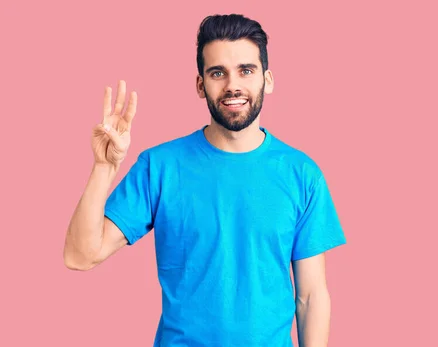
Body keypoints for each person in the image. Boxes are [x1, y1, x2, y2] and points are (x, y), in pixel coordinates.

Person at [63, 13, 346, 347]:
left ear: (267, 80)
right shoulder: (160, 166)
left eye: (246, 70)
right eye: (217, 73)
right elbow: (80, 256)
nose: (232, 85)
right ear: (200, 85)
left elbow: (310, 297)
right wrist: (103, 168)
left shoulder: (302, 174)